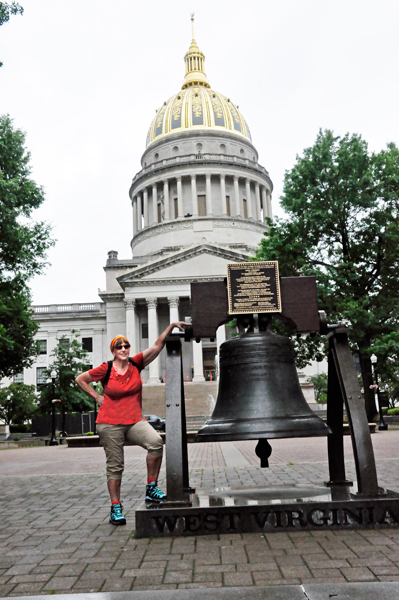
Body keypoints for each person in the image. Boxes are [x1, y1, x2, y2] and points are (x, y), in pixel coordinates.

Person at [76, 321, 187, 526]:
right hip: (109, 423)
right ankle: (115, 507)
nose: (124, 349)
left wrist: (170, 326)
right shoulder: (106, 368)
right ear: (113, 351)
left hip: (134, 421)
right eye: (119, 347)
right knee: (116, 466)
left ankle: (151, 488)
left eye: (126, 346)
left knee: (155, 442)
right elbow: (81, 379)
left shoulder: (136, 363)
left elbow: (156, 346)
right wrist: (96, 397)